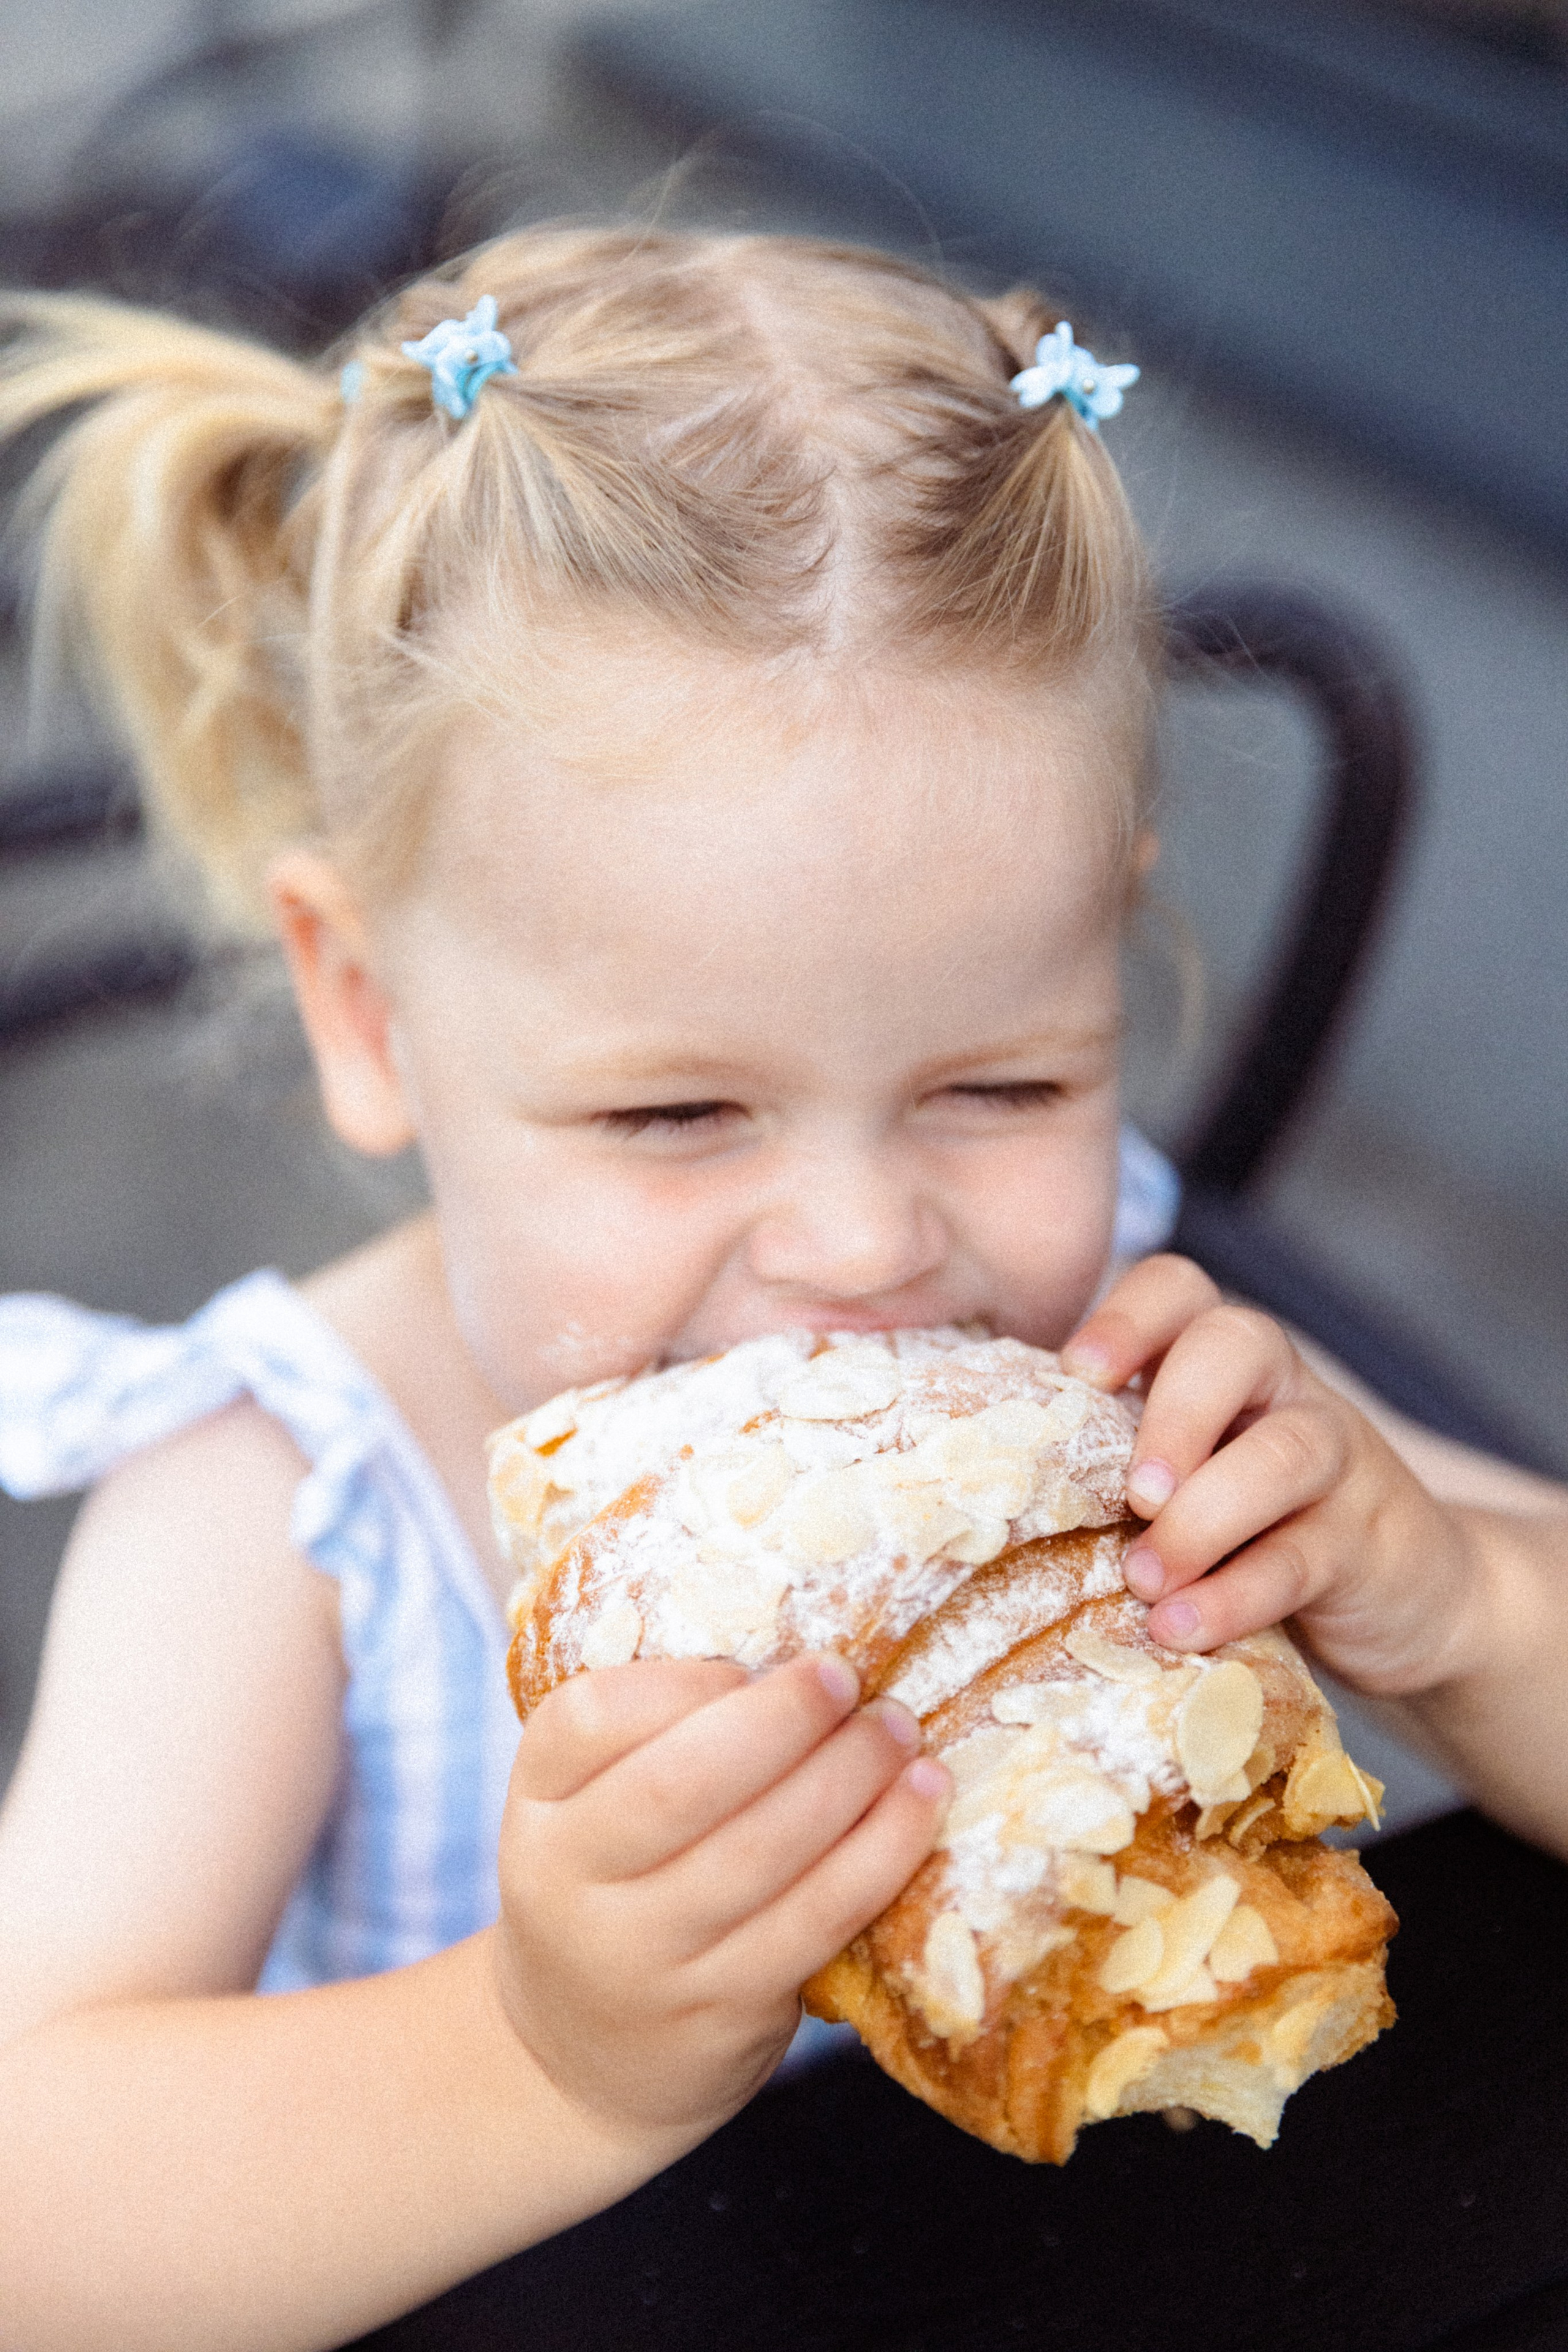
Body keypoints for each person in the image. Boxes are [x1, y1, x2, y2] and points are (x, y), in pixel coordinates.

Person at [0, 228, 1561, 2352]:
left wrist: (1455, 1605)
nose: (861, 1248)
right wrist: (532, 2058)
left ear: (1109, 949)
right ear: (366, 1008)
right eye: (674, 1119)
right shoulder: (274, 1515)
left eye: (1000, 1083)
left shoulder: (1112, 1346)